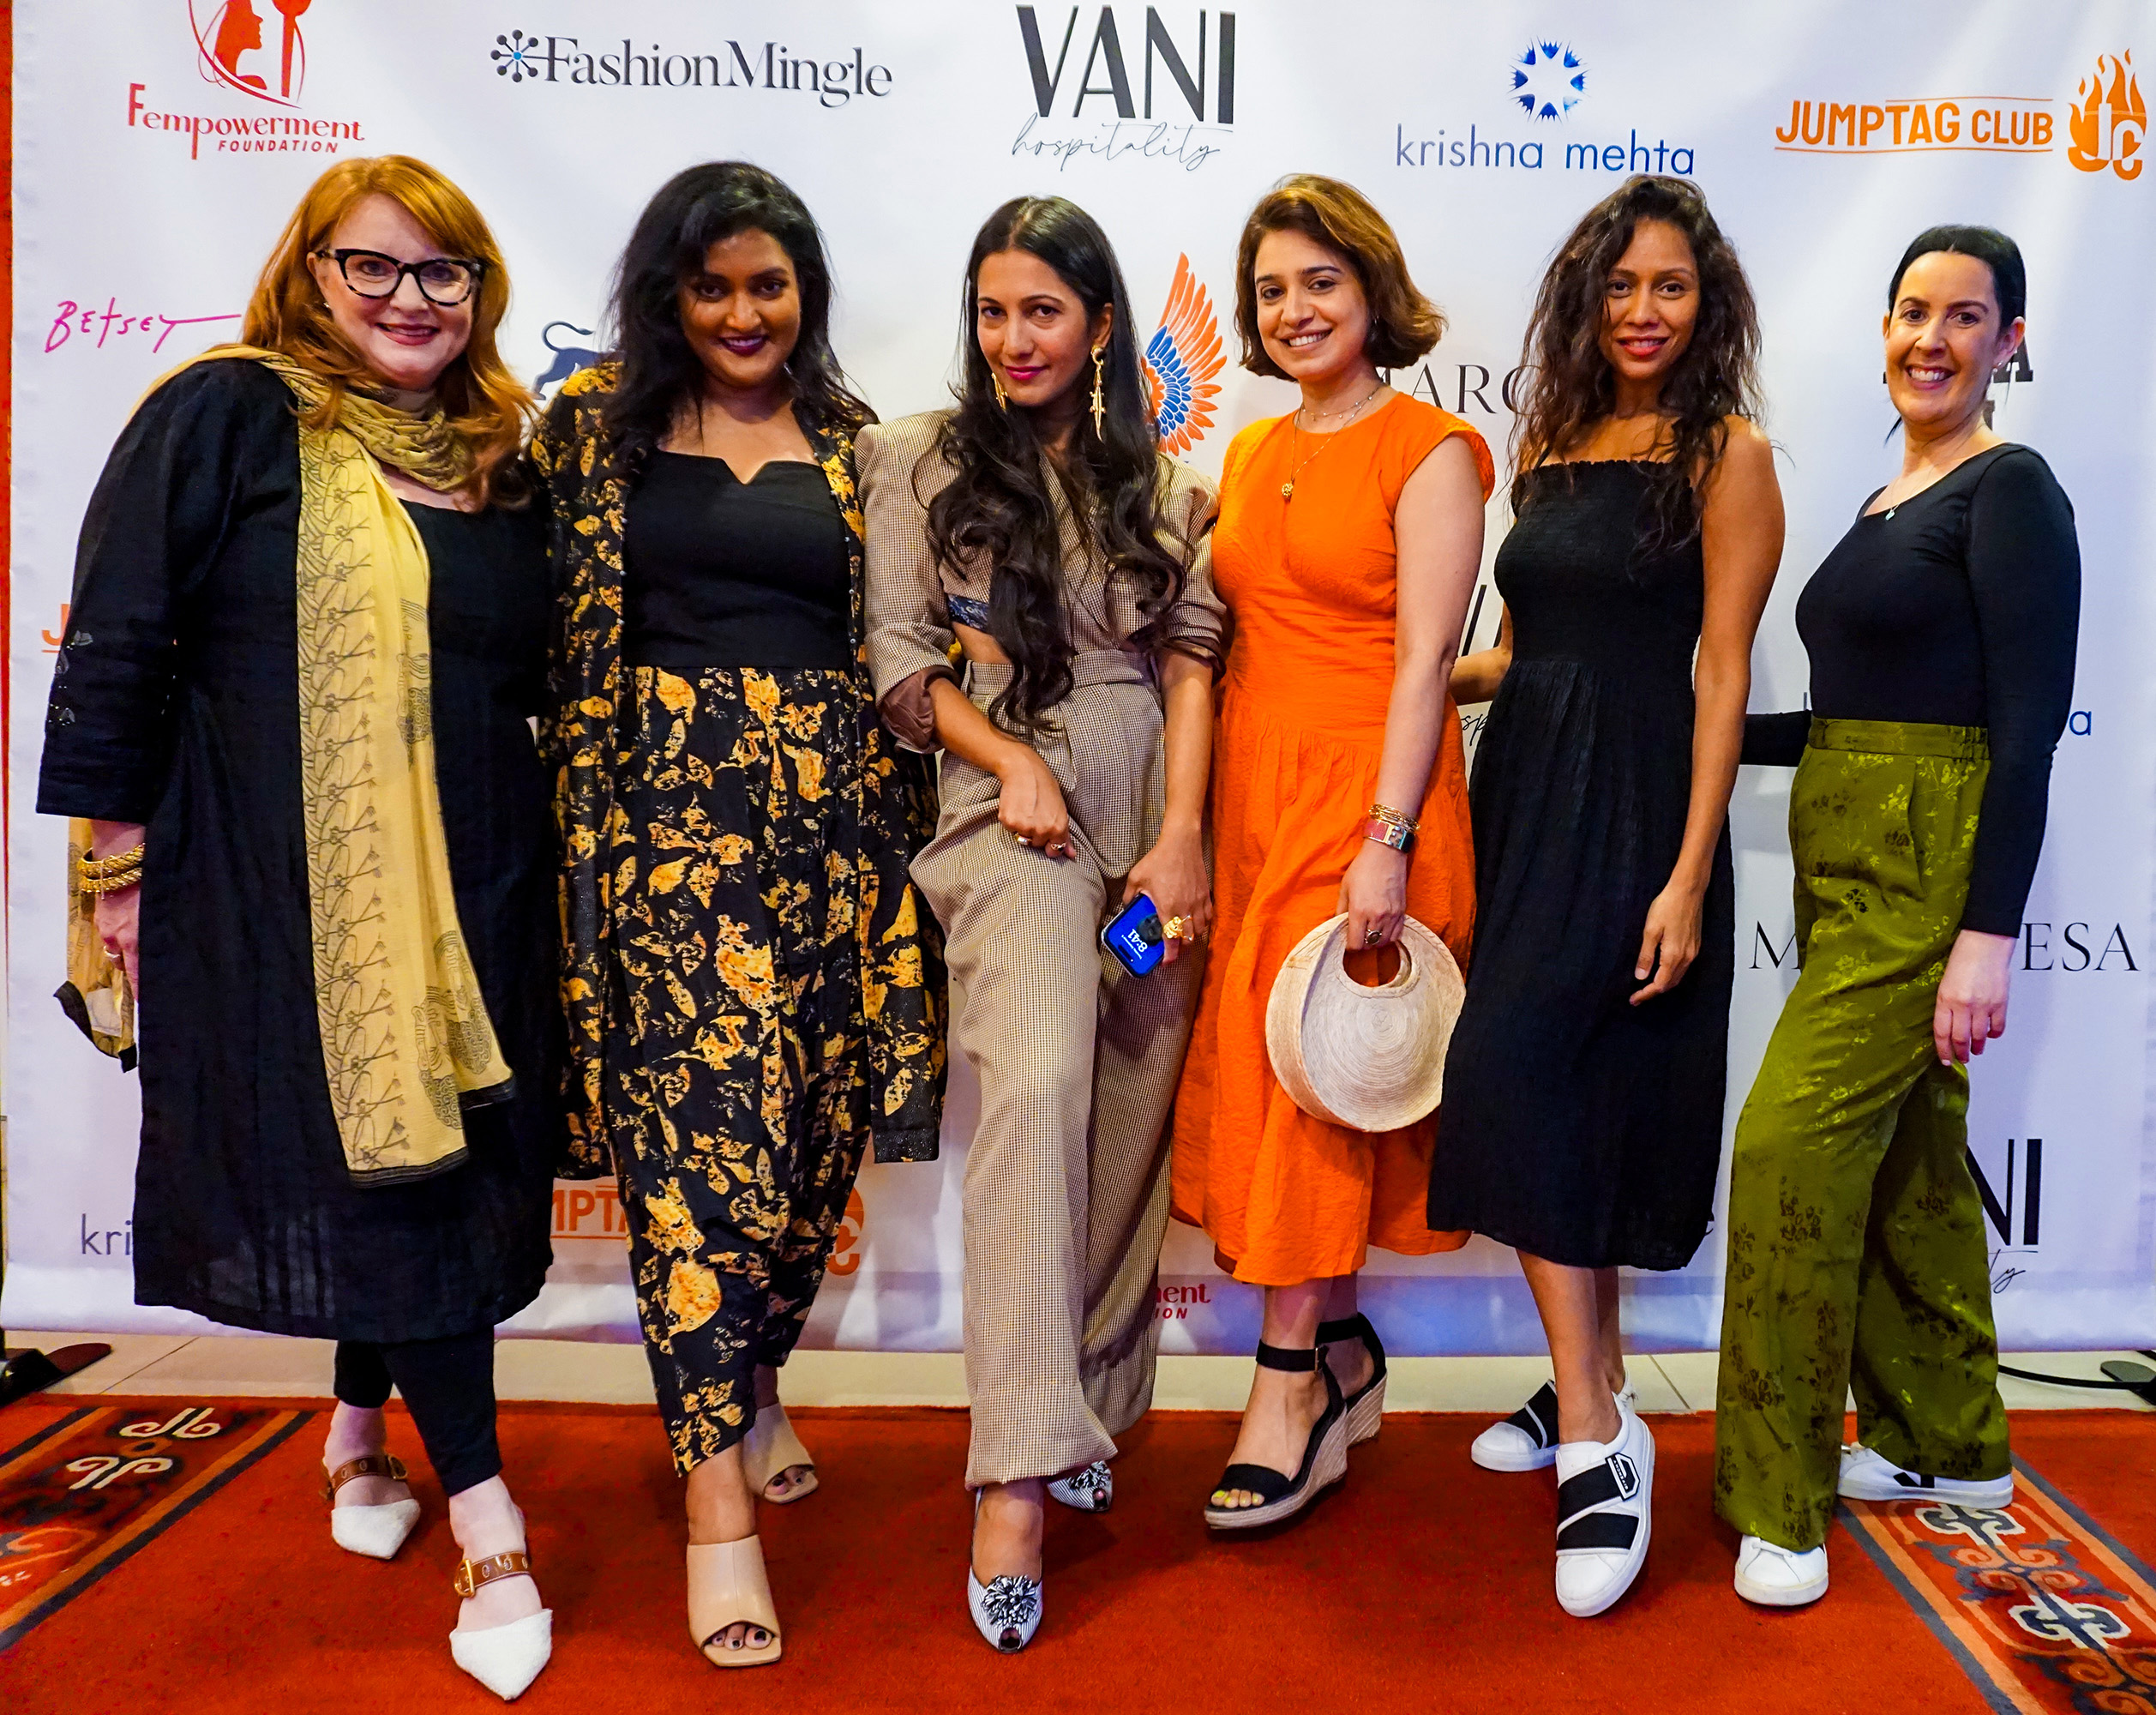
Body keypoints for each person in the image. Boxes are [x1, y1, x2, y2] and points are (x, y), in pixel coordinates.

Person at [38, 155, 560, 1700]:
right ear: (311, 271)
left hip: (487, 886)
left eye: (443, 273)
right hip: (284, 887)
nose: (411, 301)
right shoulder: (229, 413)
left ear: (481, 292)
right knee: (394, 1184)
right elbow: (122, 633)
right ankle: (489, 1515)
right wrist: (117, 879)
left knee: (431, 1161)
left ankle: (355, 1429)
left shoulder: (500, 456)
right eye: (376, 268)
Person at [530, 161, 946, 1668]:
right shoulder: (587, 437)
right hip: (666, 854)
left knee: (806, 1145)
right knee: (697, 1165)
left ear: (804, 297)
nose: (743, 312)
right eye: (713, 286)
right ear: (668, 295)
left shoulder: (859, 444)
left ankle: (755, 1379)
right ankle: (718, 1519)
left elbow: (906, 633)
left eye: (769, 285)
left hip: (835, 843)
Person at [861, 195, 1223, 1652]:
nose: (1014, 339)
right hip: (1001, 802)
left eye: (1044, 312)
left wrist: (1184, 838)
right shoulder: (917, 460)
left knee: (1126, 1118)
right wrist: (1010, 762)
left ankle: (1089, 1409)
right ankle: (1011, 1475)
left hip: (1151, 804)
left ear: (1099, 325)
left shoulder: (1172, 489)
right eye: (994, 310)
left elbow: (1190, 665)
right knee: (1042, 1088)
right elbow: (897, 659)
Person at [1432, 175, 1783, 1617]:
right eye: (1622, 286)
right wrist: (1369, 686)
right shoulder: (1552, 440)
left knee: (1555, 1078)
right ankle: (1592, 1384)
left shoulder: (1732, 453)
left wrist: (1691, 871)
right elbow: (1520, 650)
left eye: (1672, 288)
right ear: (1588, 300)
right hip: (1523, 791)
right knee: (1531, 1082)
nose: (1643, 312)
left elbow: (1722, 672)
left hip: (1643, 801)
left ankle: (1596, 1434)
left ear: (1708, 308)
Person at [1715, 226, 2078, 1609]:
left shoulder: (2013, 492)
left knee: (1789, 1150)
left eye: (1965, 316)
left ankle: (1782, 1503)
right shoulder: (1888, 498)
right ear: (1885, 329)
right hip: (1842, 853)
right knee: (1914, 1157)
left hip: (1930, 871)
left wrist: (1987, 935)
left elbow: (2024, 733)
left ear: (2011, 341)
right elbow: (1865, 716)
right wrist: (1700, 735)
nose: (1932, 337)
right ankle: (1946, 1440)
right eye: (1913, 310)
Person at [1168, 175, 1492, 1530]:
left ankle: (1289, 1383)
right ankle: (1347, 1347)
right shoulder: (1247, 451)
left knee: (1310, 1090)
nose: (1293, 310)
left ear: (1373, 293)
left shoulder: (1434, 449)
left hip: (1371, 793)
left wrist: (1387, 839)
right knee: (1285, 1076)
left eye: (1319, 283)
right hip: (1253, 788)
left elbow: (1427, 661)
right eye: (1270, 290)